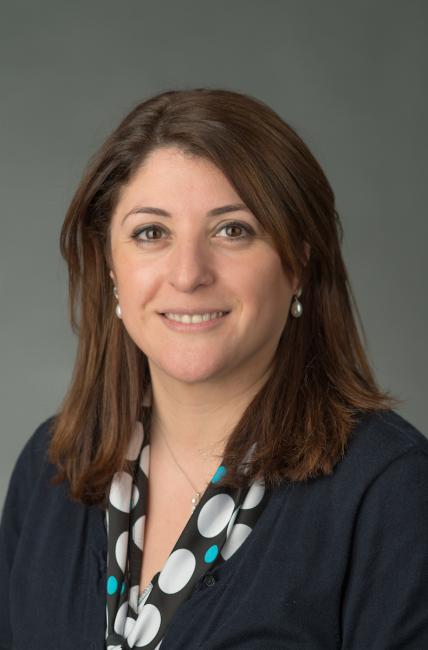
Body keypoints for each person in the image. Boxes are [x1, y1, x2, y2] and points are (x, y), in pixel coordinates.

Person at [1, 87, 427, 650]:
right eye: (151, 233)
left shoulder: (391, 491)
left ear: (298, 263)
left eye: (233, 230)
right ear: (110, 265)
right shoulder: (51, 466)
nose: (188, 273)